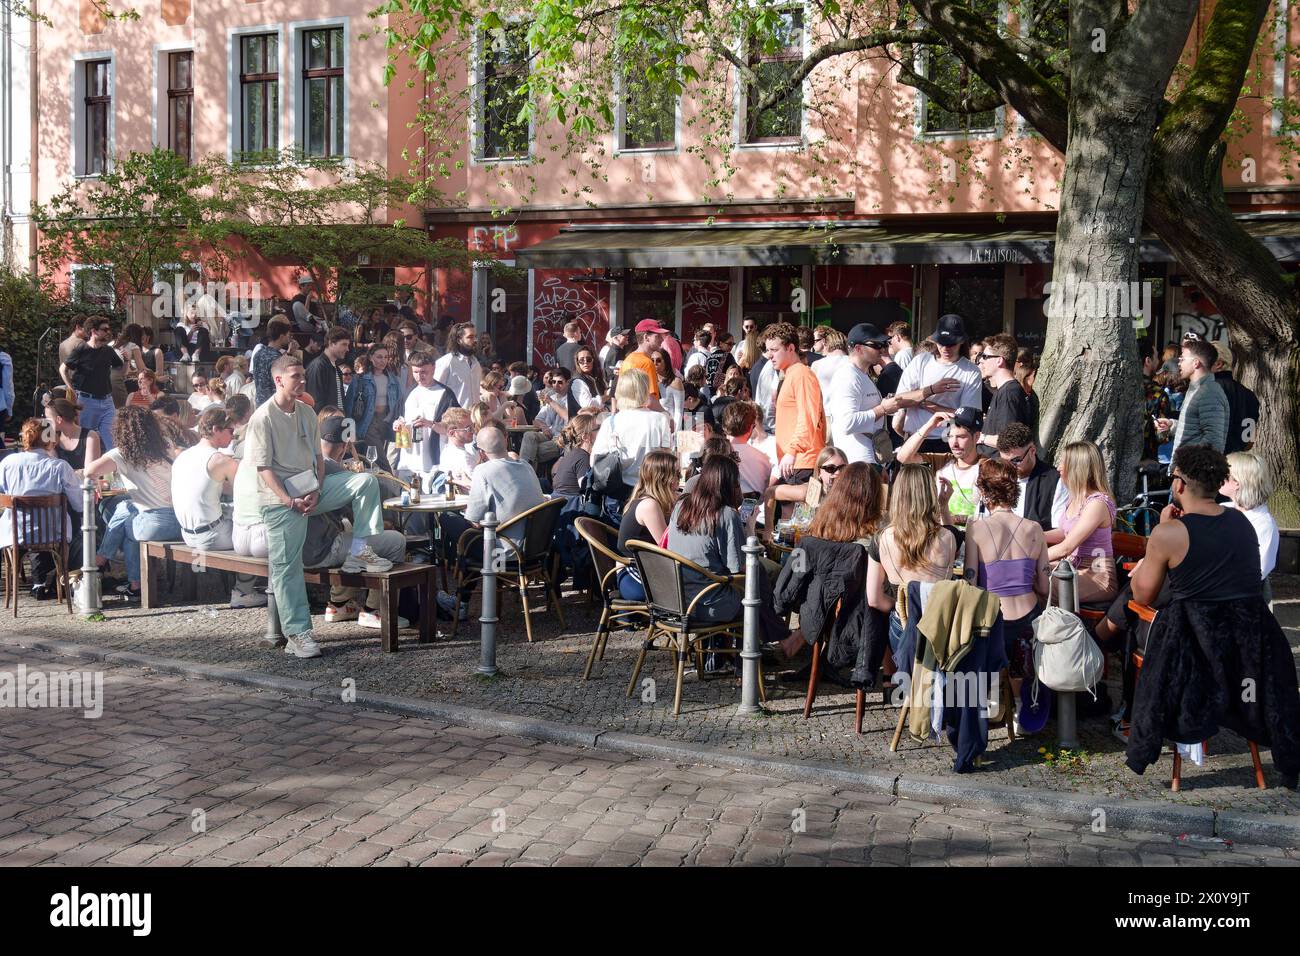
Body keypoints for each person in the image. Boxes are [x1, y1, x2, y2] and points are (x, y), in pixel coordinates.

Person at [1124, 444, 1299, 787]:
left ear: (1179, 484)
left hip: (1191, 654)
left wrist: (1160, 534)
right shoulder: (1242, 523)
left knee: (1134, 626)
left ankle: (1126, 721)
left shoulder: (1169, 533)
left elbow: (1142, 594)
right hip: (1247, 651)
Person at [244, 353, 394, 659]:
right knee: (287, 568)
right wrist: (289, 500)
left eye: (303, 375)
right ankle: (297, 634)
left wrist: (315, 488)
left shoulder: (306, 411)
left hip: (310, 489)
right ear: (278, 380)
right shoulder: (262, 417)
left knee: (365, 482)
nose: (303, 380)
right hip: (279, 501)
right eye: (296, 376)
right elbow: (263, 468)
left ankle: (359, 551)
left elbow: (317, 458)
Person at [964, 457, 1050, 707]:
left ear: (984, 491)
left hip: (993, 618)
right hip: (1029, 617)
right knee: (1021, 663)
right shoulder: (1034, 529)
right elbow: (1044, 587)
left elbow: (971, 584)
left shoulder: (976, 529)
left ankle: (991, 703)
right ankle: (1020, 706)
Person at [317, 415, 411, 631]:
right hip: (322, 548)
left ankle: (339, 604)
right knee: (394, 540)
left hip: (300, 544)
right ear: (344, 446)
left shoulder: (308, 461)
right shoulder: (334, 469)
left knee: (354, 535)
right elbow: (354, 513)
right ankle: (375, 611)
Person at [84, 406, 182, 600]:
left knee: (126, 514)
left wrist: (94, 481)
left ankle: (101, 560)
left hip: (155, 524)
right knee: (128, 512)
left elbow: (89, 470)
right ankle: (133, 584)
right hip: (179, 519)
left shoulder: (121, 453)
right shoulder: (166, 444)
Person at [170, 406, 263, 607]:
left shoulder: (183, 456)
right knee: (253, 530)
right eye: (230, 431)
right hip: (211, 536)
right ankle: (243, 592)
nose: (233, 436)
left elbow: (209, 486)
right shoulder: (220, 460)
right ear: (215, 429)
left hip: (187, 534)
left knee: (230, 514)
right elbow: (248, 494)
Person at [868, 462, 958, 659]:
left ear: (898, 494)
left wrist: (900, 605)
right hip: (941, 624)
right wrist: (944, 506)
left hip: (901, 625)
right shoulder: (948, 537)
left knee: (906, 674)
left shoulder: (881, 539)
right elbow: (953, 534)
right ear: (930, 494)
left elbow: (874, 599)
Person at [826, 323, 949, 466]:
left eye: (884, 344)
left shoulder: (860, 375)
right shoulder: (847, 377)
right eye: (876, 345)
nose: (882, 349)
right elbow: (847, 424)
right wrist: (882, 409)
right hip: (857, 463)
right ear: (858, 348)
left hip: (870, 460)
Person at [0, 418, 83, 599]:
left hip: (16, 533)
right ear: (50, 440)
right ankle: (63, 579)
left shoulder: (8, 463)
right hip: (53, 534)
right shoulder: (60, 467)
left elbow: (3, 491)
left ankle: (37, 582)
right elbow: (79, 503)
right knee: (79, 529)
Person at [895, 313, 983, 451]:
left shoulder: (971, 371)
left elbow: (968, 417)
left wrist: (929, 405)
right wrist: (931, 390)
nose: (945, 348)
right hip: (915, 437)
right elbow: (898, 400)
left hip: (947, 441)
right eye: (941, 343)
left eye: (951, 344)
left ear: (961, 342)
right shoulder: (920, 361)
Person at [1045, 440, 1118, 604]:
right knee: (1022, 574)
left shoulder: (1097, 504)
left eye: (1063, 462)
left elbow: (1066, 547)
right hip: (1072, 568)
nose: (1058, 467)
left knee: (1034, 579)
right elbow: (1065, 533)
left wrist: (1028, 558)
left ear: (1077, 467)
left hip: (1097, 576)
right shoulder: (1074, 498)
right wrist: (1034, 535)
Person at [896, 407, 985, 528]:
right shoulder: (943, 462)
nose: (954, 443)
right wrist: (929, 425)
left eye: (961, 437)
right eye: (950, 436)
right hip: (944, 537)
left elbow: (991, 517)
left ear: (976, 437)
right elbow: (903, 457)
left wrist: (951, 518)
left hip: (975, 537)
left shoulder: (988, 467)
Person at [763, 322, 826, 486]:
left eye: (774, 350)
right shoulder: (792, 374)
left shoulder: (801, 374)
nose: (769, 355)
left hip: (802, 460)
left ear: (791, 348)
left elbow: (808, 418)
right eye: (768, 350)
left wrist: (792, 452)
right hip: (794, 461)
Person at [591, 367, 673, 490]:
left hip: (617, 489)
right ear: (645, 390)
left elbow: (594, 460)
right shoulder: (659, 419)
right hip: (650, 488)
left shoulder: (610, 422)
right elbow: (667, 455)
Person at [615, 449, 679, 601]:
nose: (680, 479)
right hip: (633, 575)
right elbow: (668, 547)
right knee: (689, 587)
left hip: (645, 569)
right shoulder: (649, 505)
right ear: (664, 478)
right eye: (677, 474)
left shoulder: (647, 500)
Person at [1155, 337, 1229, 459]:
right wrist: (1172, 425)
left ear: (1196, 363)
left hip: (1192, 469)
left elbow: (1213, 441)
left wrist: (1186, 467)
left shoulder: (1209, 393)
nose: (1179, 363)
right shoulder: (1196, 389)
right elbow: (1195, 430)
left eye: (1182, 359)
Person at [393, 352, 459, 486]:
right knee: (408, 495)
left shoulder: (445, 394)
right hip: (408, 458)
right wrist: (397, 423)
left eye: (424, 372)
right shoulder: (409, 392)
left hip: (434, 460)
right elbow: (398, 416)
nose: (419, 376)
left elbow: (454, 428)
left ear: (433, 368)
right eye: (416, 372)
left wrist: (430, 424)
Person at [1221, 451, 1278, 602]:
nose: (1217, 477)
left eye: (1223, 474)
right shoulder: (1222, 508)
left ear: (1237, 482)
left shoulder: (1264, 525)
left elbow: (1258, 571)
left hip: (1241, 601)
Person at [59, 316, 122, 452]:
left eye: (108, 329)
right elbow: (63, 369)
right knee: (85, 440)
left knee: (113, 442)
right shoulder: (81, 349)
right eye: (104, 329)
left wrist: (127, 361)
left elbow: (120, 368)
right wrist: (72, 390)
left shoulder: (108, 350)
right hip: (86, 402)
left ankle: (114, 465)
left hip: (107, 402)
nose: (108, 332)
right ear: (94, 331)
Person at [993, 422, 1069, 531]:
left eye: (1016, 460)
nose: (1009, 467)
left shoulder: (1054, 481)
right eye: (1004, 461)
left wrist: (1025, 537)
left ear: (1032, 450)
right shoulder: (996, 477)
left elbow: (1061, 531)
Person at [763, 445, 846, 537]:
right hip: (804, 542)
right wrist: (768, 529)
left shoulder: (849, 494)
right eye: (831, 468)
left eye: (842, 468)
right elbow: (770, 492)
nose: (838, 473)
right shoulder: (807, 492)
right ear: (819, 472)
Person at [976, 333, 1030, 453]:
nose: (981, 361)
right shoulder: (1004, 390)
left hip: (998, 463)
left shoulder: (1009, 393)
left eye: (985, 357)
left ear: (999, 361)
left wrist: (980, 437)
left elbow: (1008, 441)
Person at [350, 343, 400, 470]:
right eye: (379, 357)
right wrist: (350, 429)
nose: (383, 360)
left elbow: (398, 402)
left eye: (386, 357)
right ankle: (391, 480)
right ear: (371, 358)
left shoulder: (392, 379)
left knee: (373, 459)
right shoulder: (360, 379)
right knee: (382, 460)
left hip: (386, 421)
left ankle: (378, 480)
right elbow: (349, 404)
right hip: (368, 421)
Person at [1212, 341, 1259, 455]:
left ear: (1218, 364)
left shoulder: (1207, 390)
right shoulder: (1249, 395)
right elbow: (1249, 441)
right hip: (1236, 460)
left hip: (1209, 458)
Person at [720, 401, 774, 496]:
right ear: (750, 428)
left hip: (722, 502)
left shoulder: (715, 452)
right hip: (754, 503)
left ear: (724, 426)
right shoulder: (763, 459)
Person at [619, 319, 669, 414]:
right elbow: (650, 401)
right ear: (646, 337)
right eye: (657, 336)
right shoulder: (647, 363)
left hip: (627, 414)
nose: (662, 339)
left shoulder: (628, 359)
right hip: (644, 416)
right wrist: (667, 415)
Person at [434, 321, 483, 410]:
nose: (475, 340)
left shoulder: (476, 363)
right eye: (470, 337)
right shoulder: (447, 362)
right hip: (454, 415)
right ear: (459, 340)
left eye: (475, 336)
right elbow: (435, 389)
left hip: (474, 415)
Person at [45, 397, 101, 474]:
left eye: (48, 418)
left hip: (83, 482)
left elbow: (90, 473)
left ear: (59, 419)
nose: (46, 422)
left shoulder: (90, 437)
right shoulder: (52, 439)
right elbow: (53, 471)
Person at [551, 413, 599, 498]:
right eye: (598, 429)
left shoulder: (573, 454)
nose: (601, 431)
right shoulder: (583, 458)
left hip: (560, 502)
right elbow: (586, 490)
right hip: (570, 503)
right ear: (585, 437)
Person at [253, 318, 293, 408]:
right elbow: (282, 385)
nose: (289, 338)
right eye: (288, 335)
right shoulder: (276, 358)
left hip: (260, 404)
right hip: (274, 406)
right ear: (281, 336)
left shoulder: (259, 353)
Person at [810, 327, 849, 398]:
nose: (813, 344)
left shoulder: (817, 364)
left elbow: (812, 392)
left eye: (815, 340)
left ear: (824, 341)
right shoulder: (853, 362)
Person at [653, 348, 685, 429]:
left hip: (669, 426)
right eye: (652, 360)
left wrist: (676, 431)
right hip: (653, 426)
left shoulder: (675, 382)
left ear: (666, 362)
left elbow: (679, 411)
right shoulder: (650, 381)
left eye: (658, 360)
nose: (655, 363)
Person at [571, 346, 607, 412]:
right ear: (577, 362)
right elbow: (588, 405)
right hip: (585, 418)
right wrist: (605, 397)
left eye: (588, 359)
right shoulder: (577, 381)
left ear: (593, 360)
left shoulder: (597, 377)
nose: (585, 362)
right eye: (581, 360)